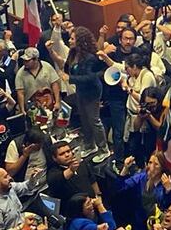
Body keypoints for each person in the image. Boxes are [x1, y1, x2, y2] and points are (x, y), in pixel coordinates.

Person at [62, 26, 109, 154]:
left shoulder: (89, 58)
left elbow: (90, 77)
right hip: (80, 91)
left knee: (94, 121)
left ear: (80, 41)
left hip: (92, 92)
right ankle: (89, 145)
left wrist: (70, 78)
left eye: (72, 39)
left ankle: (104, 149)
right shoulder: (73, 53)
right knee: (84, 118)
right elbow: (68, 68)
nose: (69, 41)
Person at [14, 47, 60, 112]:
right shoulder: (20, 73)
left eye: (27, 61)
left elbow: (54, 84)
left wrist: (57, 102)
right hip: (30, 105)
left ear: (36, 59)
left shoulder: (47, 66)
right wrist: (22, 110)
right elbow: (20, 92)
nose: (25, 62)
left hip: (48, 102)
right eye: (24, 60)